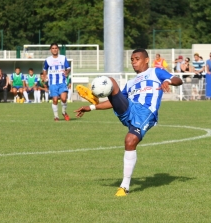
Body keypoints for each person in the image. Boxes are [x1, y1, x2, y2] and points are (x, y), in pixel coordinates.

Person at [74, 48, 183, 196]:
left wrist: (168, 81)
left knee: (130, 140)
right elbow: (116, 101)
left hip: (145, 112)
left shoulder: (155, 72)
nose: (134, 62)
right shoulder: (130, 83)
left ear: (146, 60)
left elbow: (178, 80)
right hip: (129, 110)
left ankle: (124, 186)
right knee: (111, 82)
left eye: (137, 59)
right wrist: (91, 107)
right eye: (132, 60)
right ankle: (95, 97)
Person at [43, 43, 71, 121]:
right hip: (52, 83)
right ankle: (56, 117)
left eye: (56, 48)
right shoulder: (48, 59)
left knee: (64, 99)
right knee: (55, 100)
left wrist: (67, 72)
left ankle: (64, 112)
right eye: (53, 48)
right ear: (50, 50)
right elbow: (44, 69)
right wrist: (45, 76)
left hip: (62, 82)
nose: (54, 49)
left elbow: (68, 68)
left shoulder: (63, 58)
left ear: (58, 49)